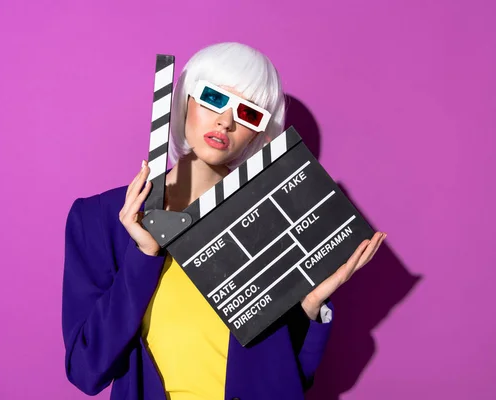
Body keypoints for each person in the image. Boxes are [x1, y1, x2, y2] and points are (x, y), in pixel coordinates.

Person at [62, 42, 386, 400]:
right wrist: (144, 256)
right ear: (184, 99)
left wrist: (307, 309)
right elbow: (86, 370)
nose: (226, 121)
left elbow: (290, 379)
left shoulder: (274, 221)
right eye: (213, 99)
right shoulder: (98, 219)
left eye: (248, 114)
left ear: (261, 134)